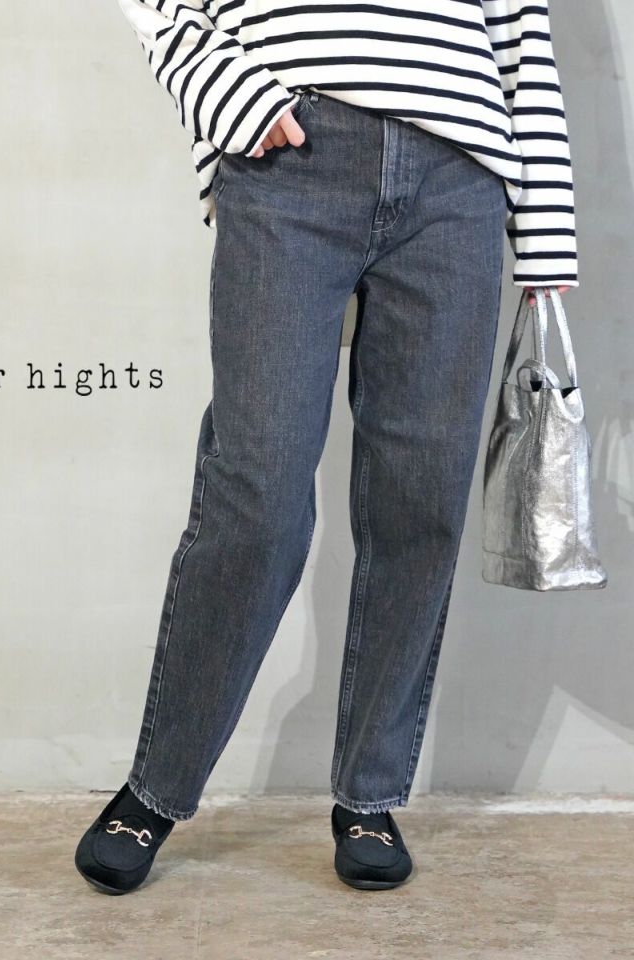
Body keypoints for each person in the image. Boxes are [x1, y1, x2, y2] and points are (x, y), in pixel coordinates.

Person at [75, 0, 578, 895]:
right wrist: (230, 93)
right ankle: (157, 785)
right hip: (290, 160)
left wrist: (545, 245)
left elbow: (520, 39)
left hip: (458, 176)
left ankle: (369, 795)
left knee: (419, 501)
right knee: (258, 489)